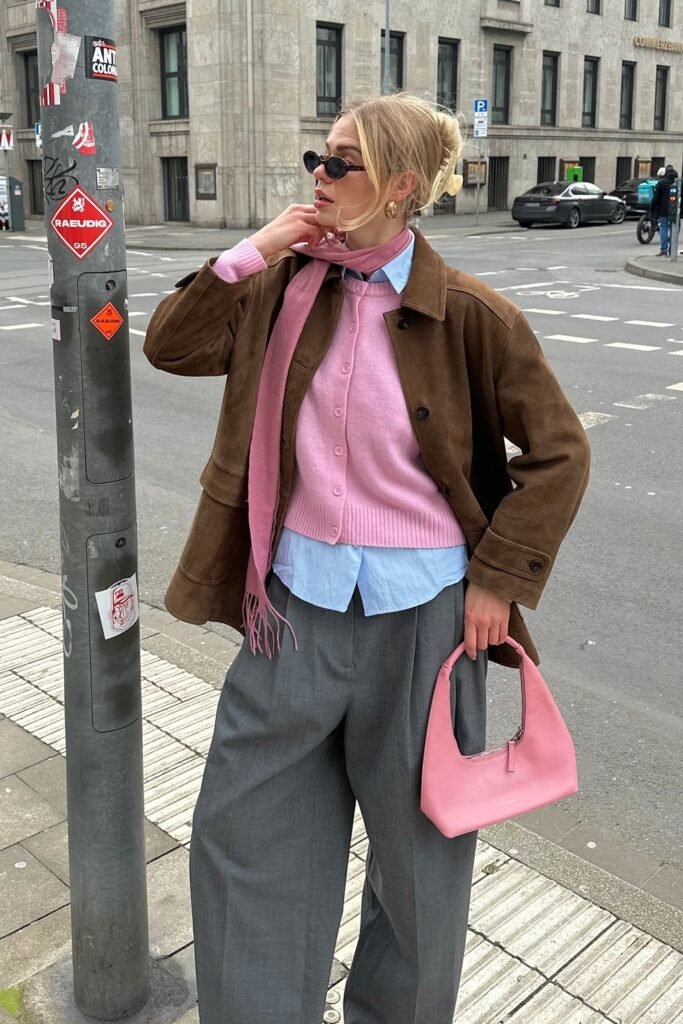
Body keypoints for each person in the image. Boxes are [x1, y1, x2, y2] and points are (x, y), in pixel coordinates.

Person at [144, 93, 590, 1024]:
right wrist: (257, 247)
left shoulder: (468, 313)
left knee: (419, 862)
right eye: (319, 154)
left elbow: (558, 452)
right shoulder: (279, 285)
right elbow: (172, 345)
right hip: (291, 611)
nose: (319, 172)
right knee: (243, 836)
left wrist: (497, 583)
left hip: (425, 623)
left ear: (396, 188)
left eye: (339, 162)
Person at [651, 164, 678, 255]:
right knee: (674, 229)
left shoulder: (661, 183)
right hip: (676, 210)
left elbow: (656, 198)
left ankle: (663, 250)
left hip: (663, 210)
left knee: (663, 228)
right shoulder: (678, 183)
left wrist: (652, 209)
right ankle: (672, 250)